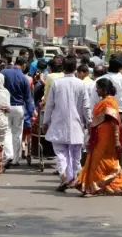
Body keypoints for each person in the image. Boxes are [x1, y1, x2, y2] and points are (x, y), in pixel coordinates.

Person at [76, 78, 122, 197]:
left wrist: (117, 140)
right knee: (98, 161)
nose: (96, 90)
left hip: (107, 137)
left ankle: (94, 188)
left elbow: (116, 122)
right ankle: (120, 184)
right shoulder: (103, 101)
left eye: (99, 88)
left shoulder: (110, 101)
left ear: (105, 89)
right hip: (99, 135)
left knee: (101, 161)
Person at [43, 56, 91, 191]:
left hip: (59, 124)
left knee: (60, 153)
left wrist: (46, 122)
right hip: (76, 125)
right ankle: (75, 177)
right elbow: (86, 106)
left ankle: (64, 176)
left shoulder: (57, 83)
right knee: (76, 154)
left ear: (63, 67)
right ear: (75, 68)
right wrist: (89, 122)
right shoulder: (81, 84)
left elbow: (49, 105)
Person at [89, 56, 122, 152]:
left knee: (103, 144)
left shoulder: (99, 80)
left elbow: (93, 101)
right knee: (119, 146)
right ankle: (117, 165)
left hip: (102, 116)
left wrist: (92, 118)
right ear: (120, 68)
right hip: (120, 116)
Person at [0, 57, 35, 168]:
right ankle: (15, 159)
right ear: (24, 65)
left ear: (15, 63)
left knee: (7, 132)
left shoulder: (3, 73)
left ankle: (8, 155)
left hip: (5, 108)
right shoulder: (24, 79)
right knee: (17, 134)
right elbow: (28, 99)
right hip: (19, 109)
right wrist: (32, 112)